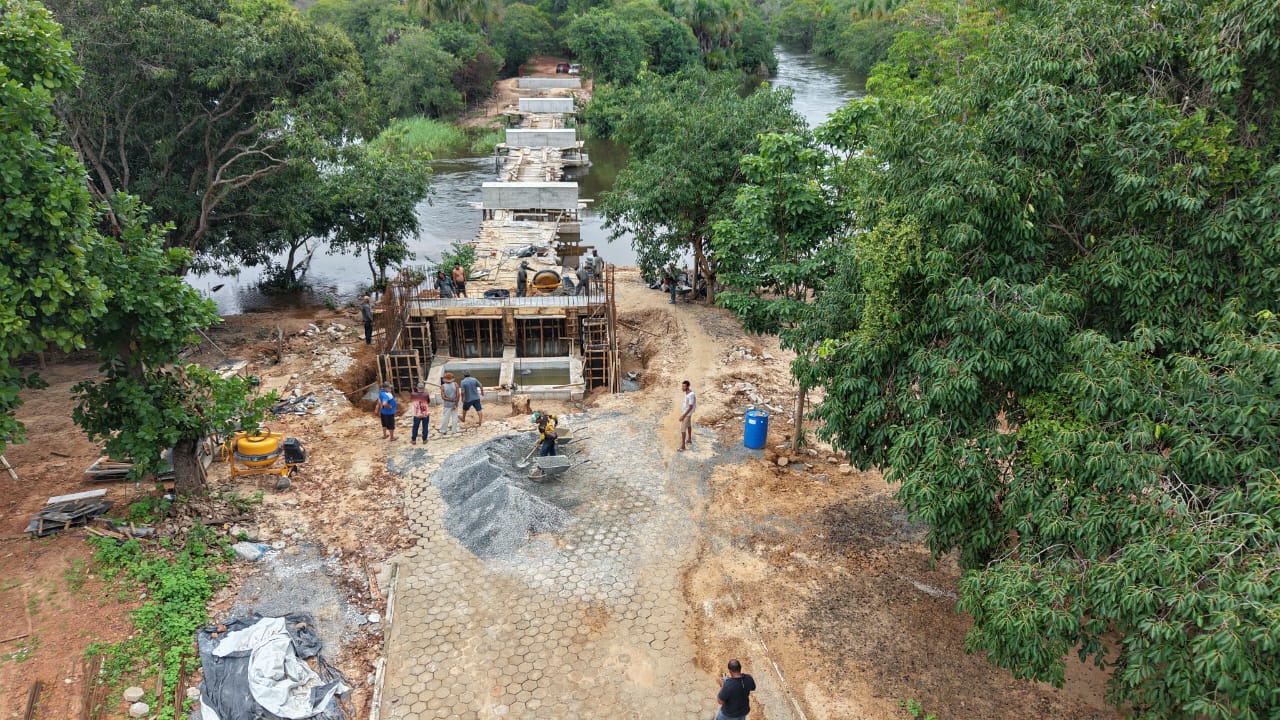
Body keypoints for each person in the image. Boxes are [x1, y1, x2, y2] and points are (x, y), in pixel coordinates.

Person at [678, 379, 696, 451]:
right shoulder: (688, 392)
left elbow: (691, 406)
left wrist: (683, 416)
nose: (682, 388)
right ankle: (689, 439)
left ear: (687, 387)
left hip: (687, 414)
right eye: (682, 386)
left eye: (684, 387)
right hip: (687, 413)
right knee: (689, 426)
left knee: (683, 430)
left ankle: (683, 446)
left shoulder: (690, 395)